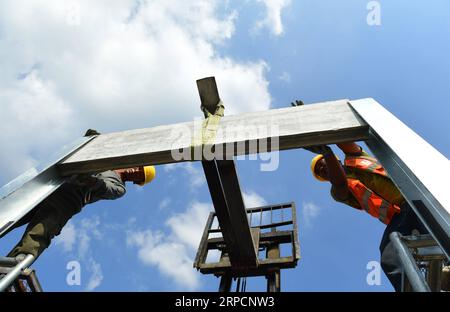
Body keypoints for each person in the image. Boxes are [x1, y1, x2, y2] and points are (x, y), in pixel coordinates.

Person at [6, 131, 156, 261]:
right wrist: (93, 141)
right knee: (7, 216)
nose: (135, 171)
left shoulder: (120, 188)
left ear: (136, 181)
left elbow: (106, 189)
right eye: (139, 168)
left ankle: (8, 271)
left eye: (139, 175)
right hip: (48, 187)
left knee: (37, 236)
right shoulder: (111, 160)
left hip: (66, 202)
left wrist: (91, 181)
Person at [306, 142, 428, 291]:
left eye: (321, 164)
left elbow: (345, 141)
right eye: (320, 172)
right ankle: (411, 287)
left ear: (337, 160)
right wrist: (327, 154)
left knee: (438, 233)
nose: (322, 169)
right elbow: (340, 185)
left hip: (416, 195)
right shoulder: (337, 191)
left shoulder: (355, 158)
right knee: (390, 253)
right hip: (402, 214)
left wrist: (328, 133)